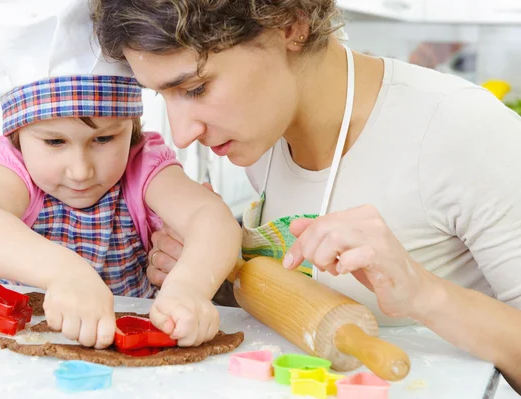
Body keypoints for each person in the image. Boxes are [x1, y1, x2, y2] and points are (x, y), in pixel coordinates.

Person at [91, 0, 521, 391]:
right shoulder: (261, 142)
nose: (183, 134)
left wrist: (424, 294)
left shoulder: (461, 130)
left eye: (197, 88)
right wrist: (215, 272)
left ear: (289, 24)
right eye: (163, 95)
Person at [0, 0, 242, 350]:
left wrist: (189, 289)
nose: (81, 170)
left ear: (131, 127)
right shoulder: (15, 171)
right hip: (12, 351)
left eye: (104, 138)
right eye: (55, 142)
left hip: (127, 360)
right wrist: (65, 273)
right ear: (18, 138)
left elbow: (211, 217)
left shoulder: (142, 166)